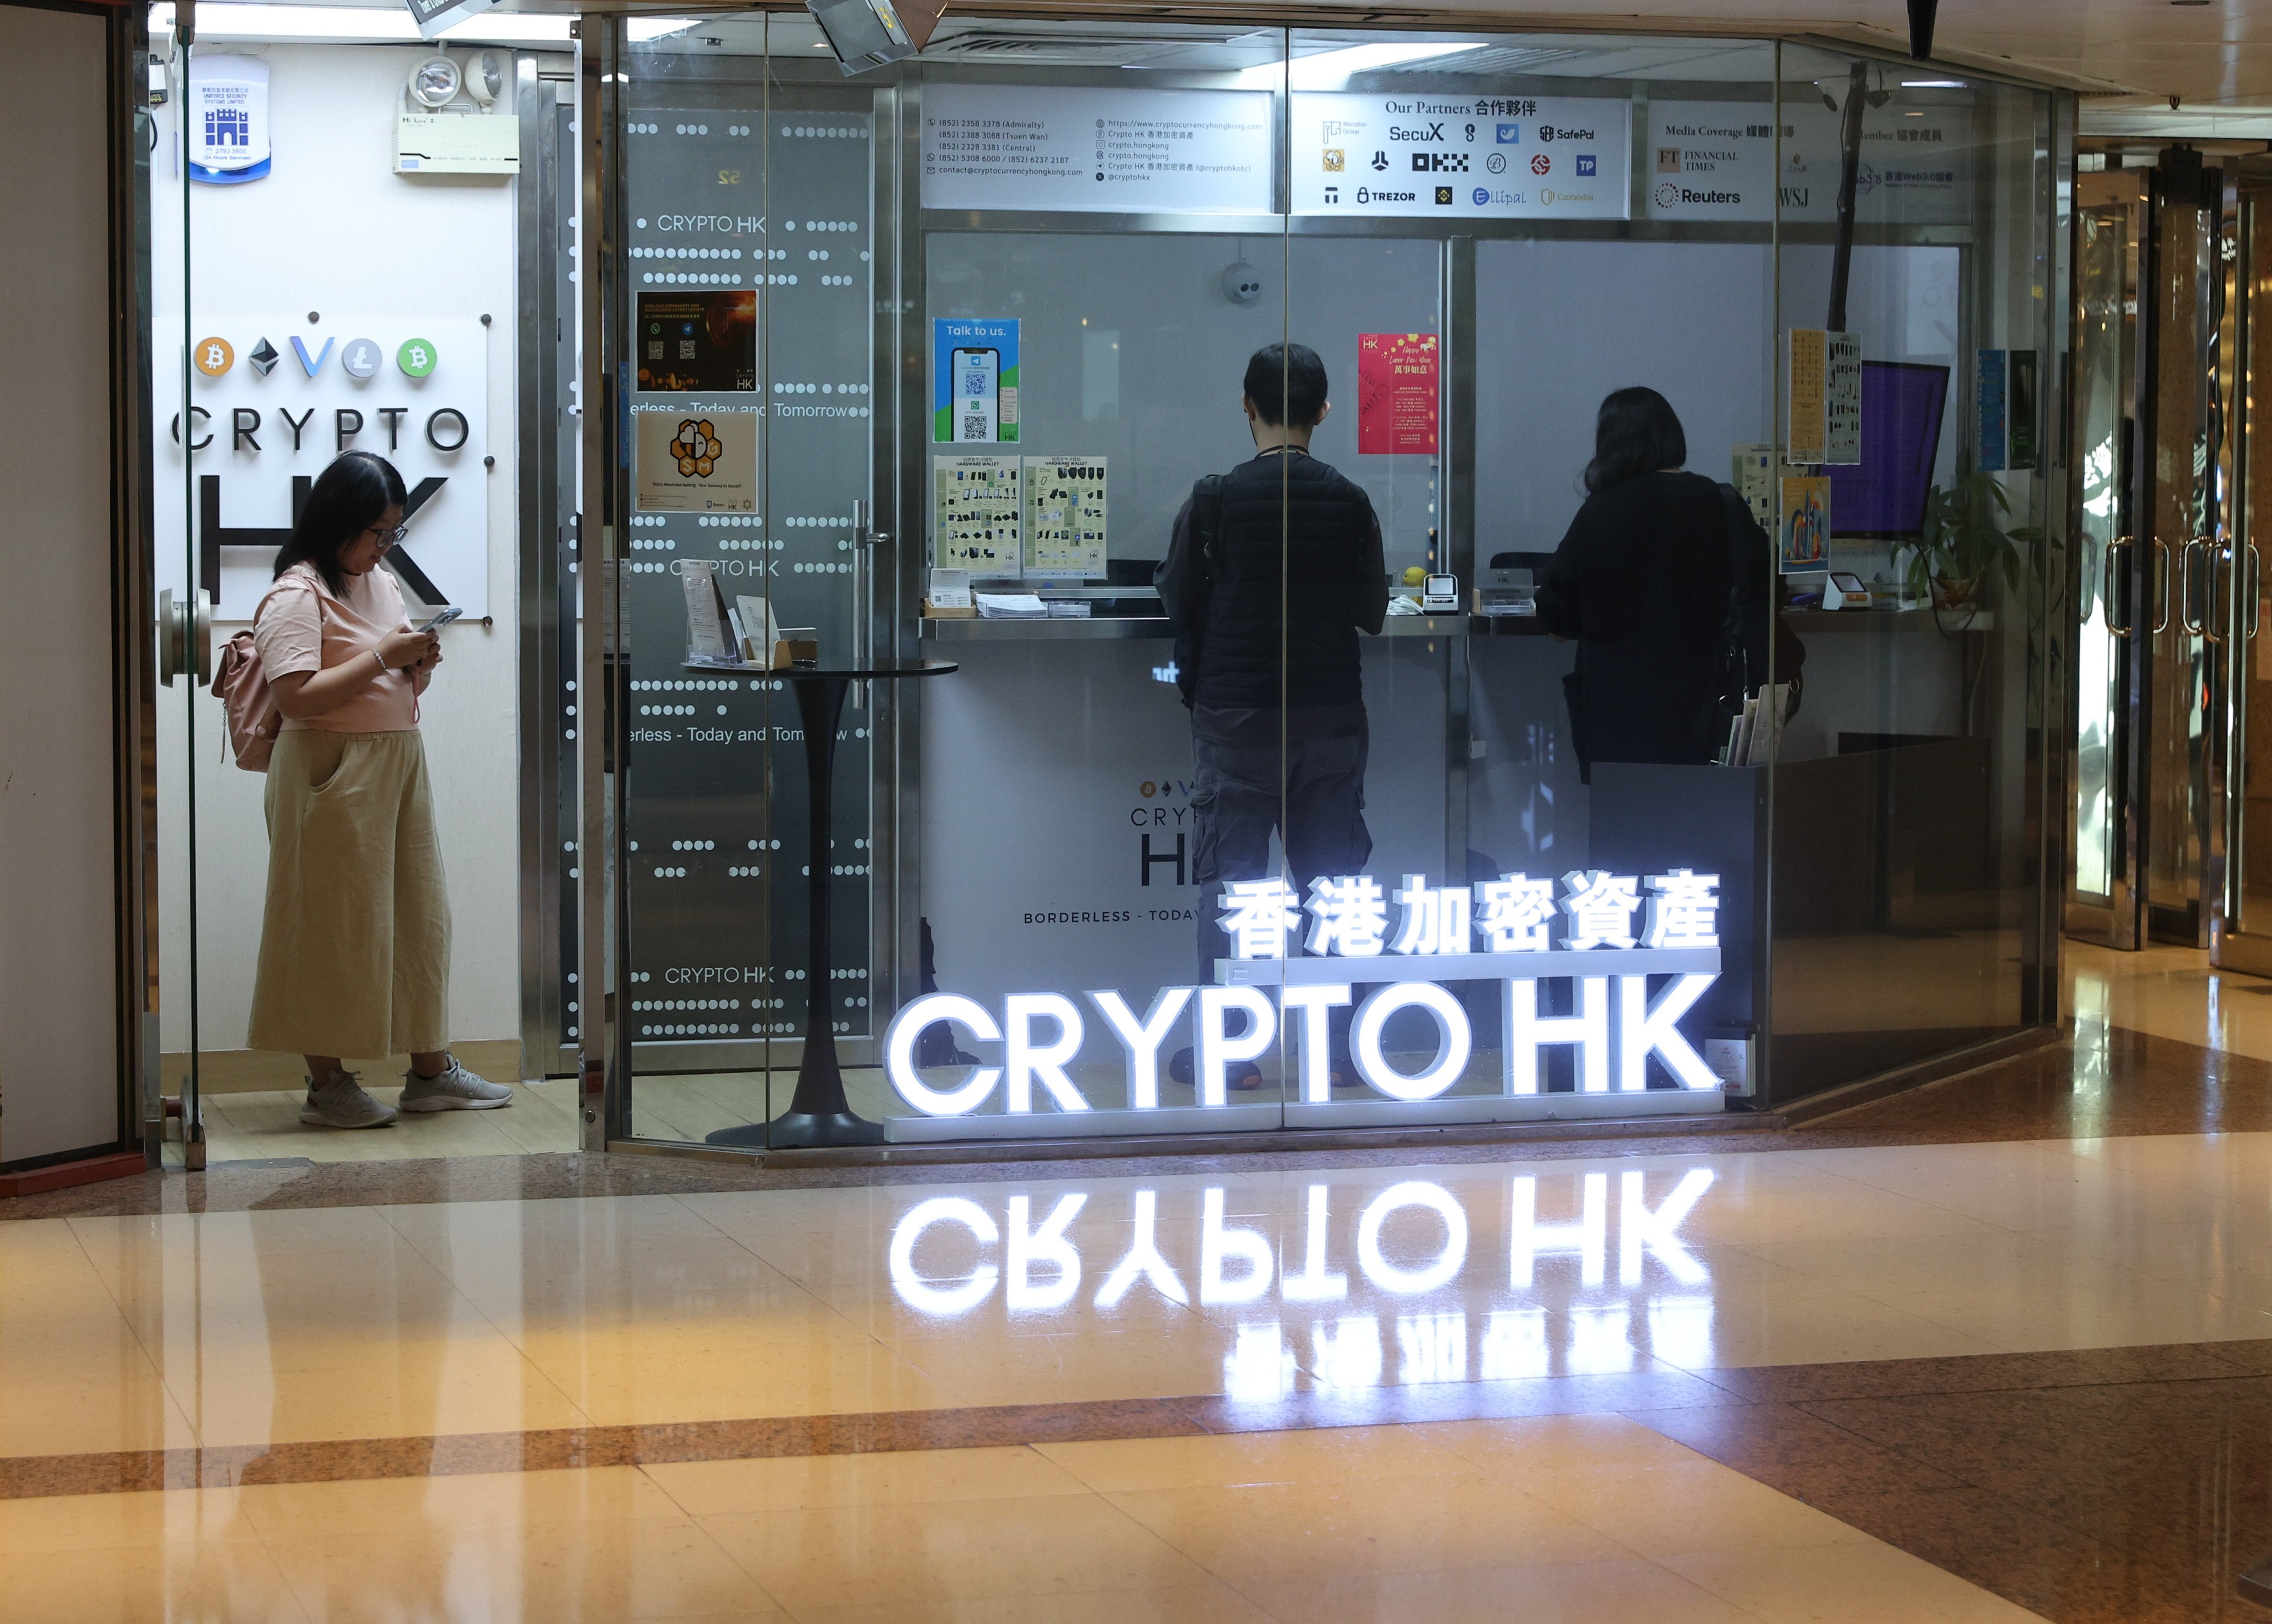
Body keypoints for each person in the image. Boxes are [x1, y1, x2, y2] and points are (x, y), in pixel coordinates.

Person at [246, 450, 513, 1128]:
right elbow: (296, 698)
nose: (384, 546)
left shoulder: (382, 582)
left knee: (418, 915)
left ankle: (430, 1072)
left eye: (393, 532)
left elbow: (379, 673)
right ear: (338, 523)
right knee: (329, 926)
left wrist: (414, 669)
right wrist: (383, 659)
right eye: (376, 532)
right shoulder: (295, 594)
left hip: (395, 762)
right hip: (329, 770)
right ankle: (326, 1083)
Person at [1157, 342, 1388, 1088]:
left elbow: (1174, 597)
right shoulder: (1351, 501)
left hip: (1234, 721)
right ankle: (1335, 1050)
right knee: (1332, 886)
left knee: (1232, 890)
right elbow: (1373, 612)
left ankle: (1230, 1054)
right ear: (1323, 411)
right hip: (1328, 720)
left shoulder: (1214, 500)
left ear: (1247, 406)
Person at [1538, 387, 1749, 779]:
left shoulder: (1602, 512)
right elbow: (1766, 589)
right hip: (1711, 703)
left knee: (1624, 827)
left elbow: (1555, 614)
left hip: (1622, 713)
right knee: (1709, 824)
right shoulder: (1725, 503)